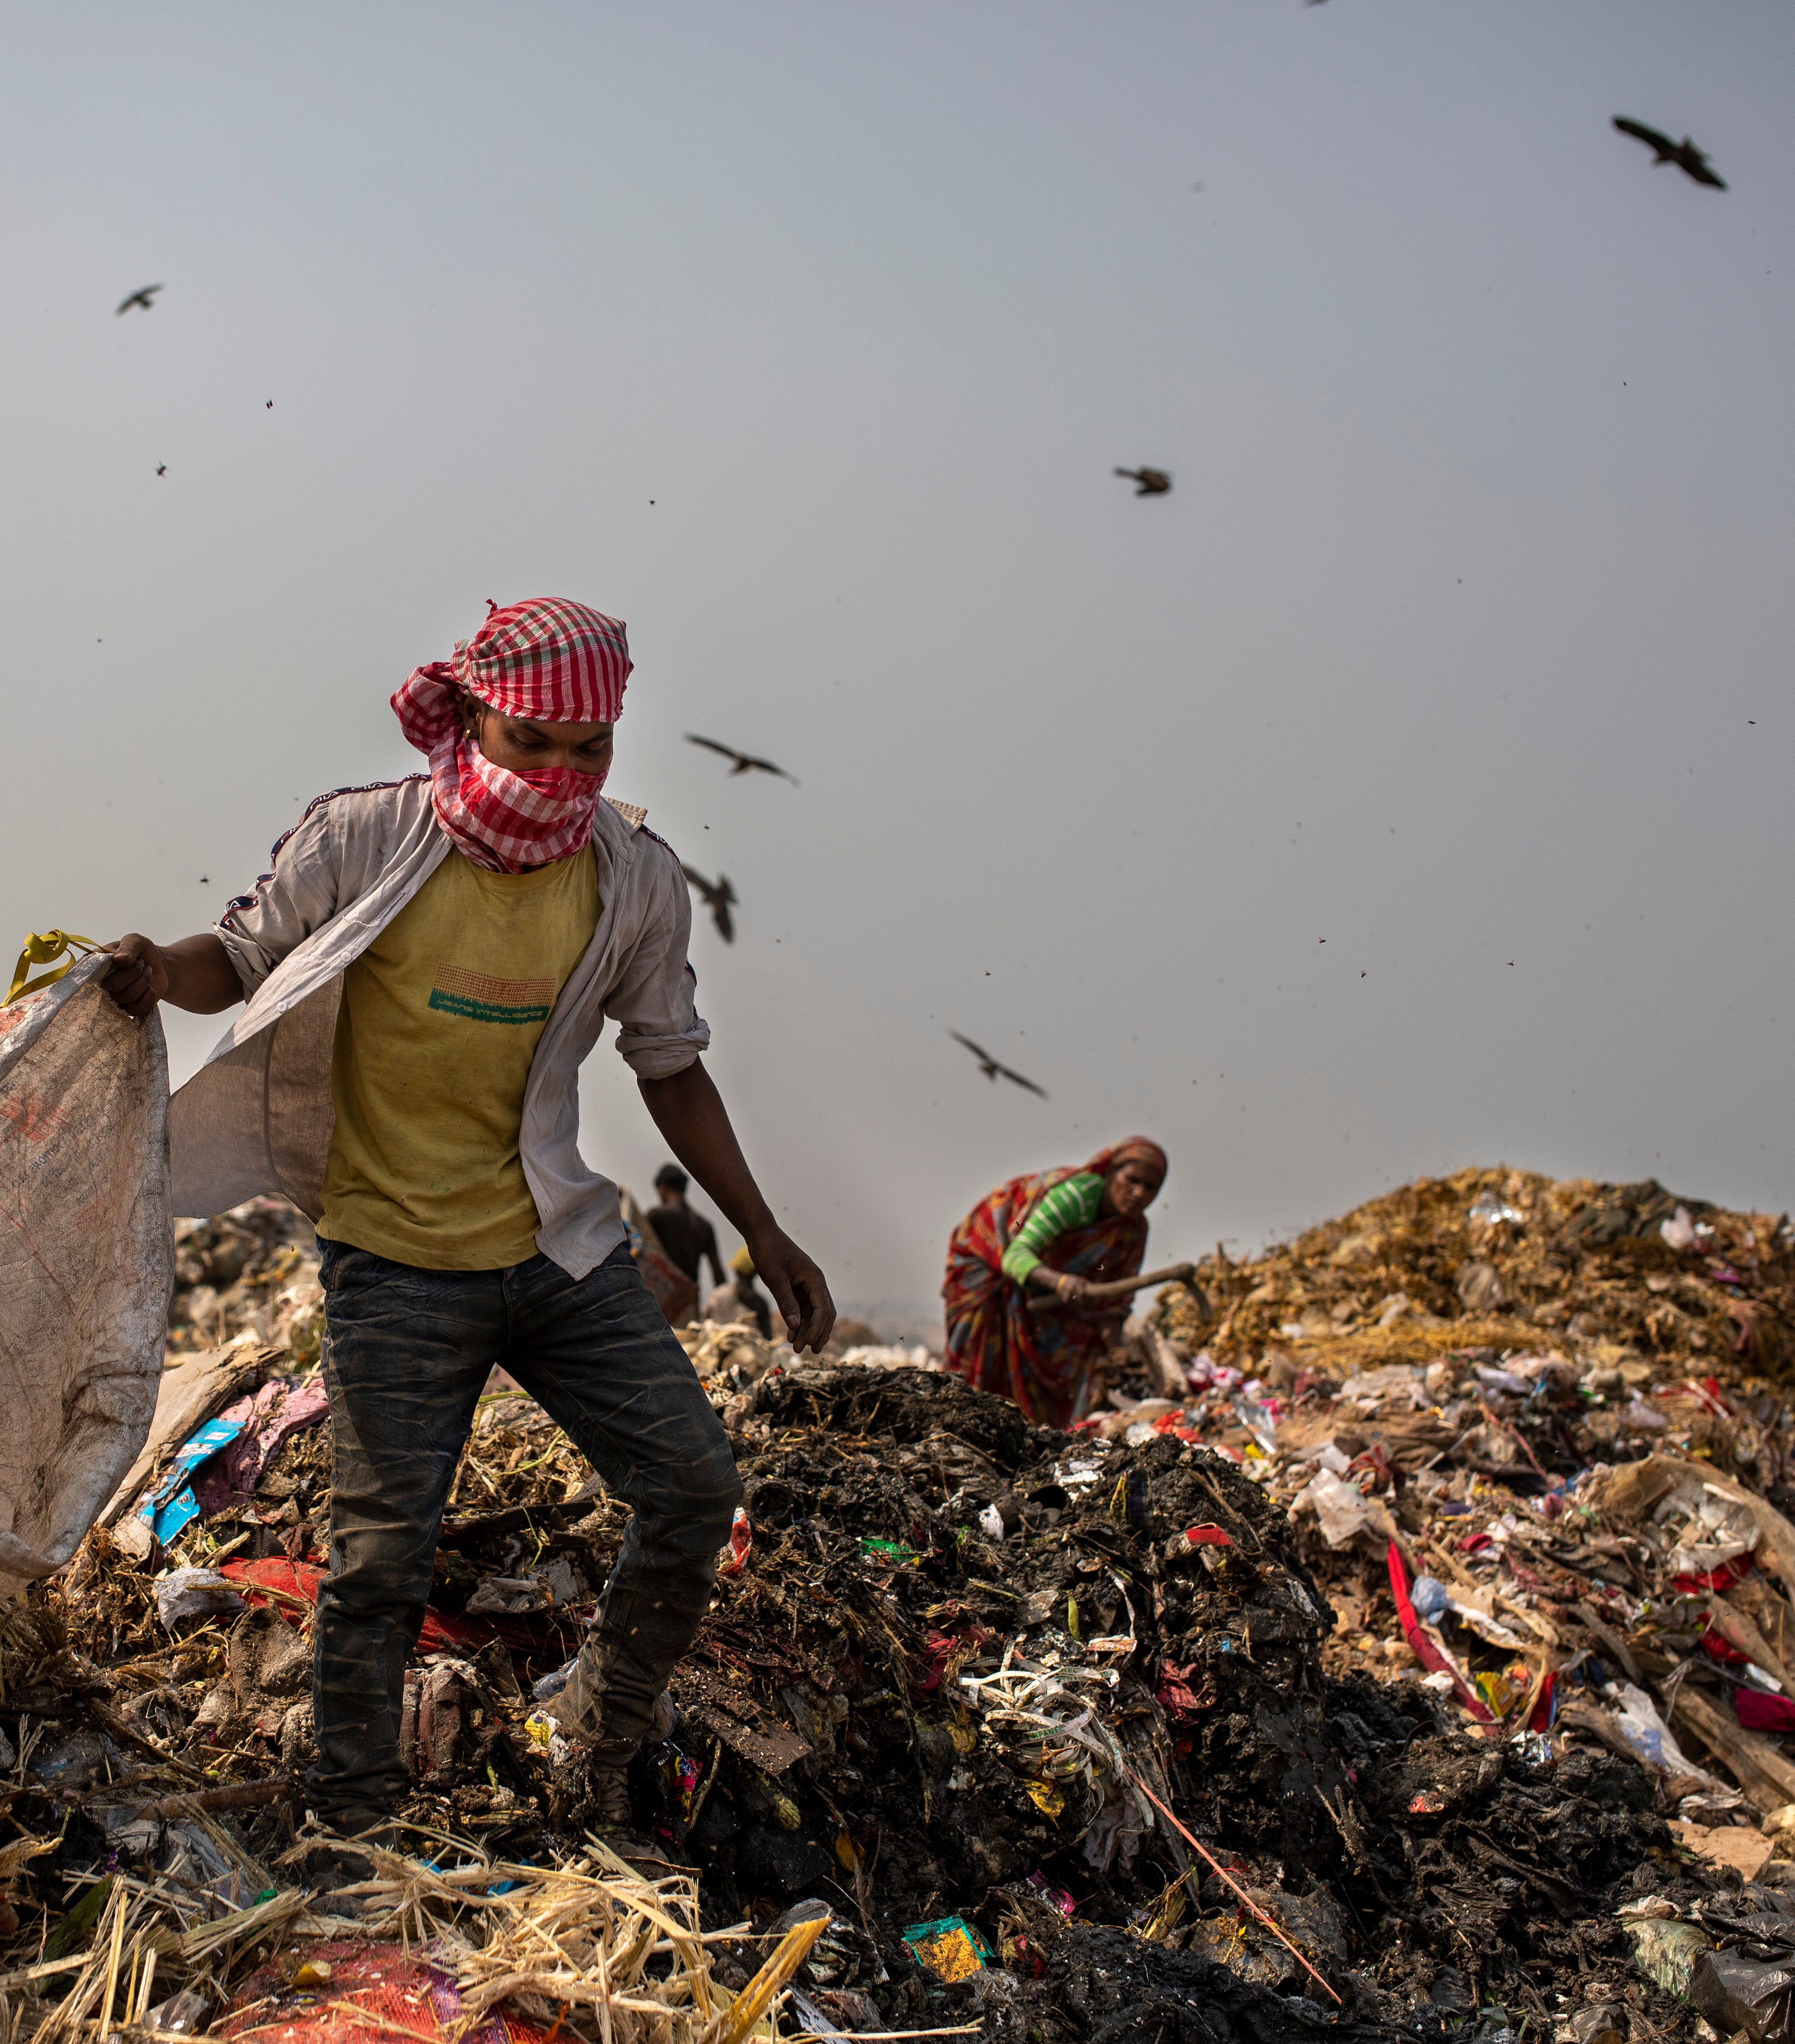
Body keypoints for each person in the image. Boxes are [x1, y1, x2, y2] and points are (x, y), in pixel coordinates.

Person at [100, 596, 835, 1854]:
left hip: (553, 1251)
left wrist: (762, 1233)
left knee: (694, 1489)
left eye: (589, 748)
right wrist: (159, 975)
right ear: (469, 716)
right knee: (380, 1567)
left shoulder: (629, 878)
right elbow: (244, 950)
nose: (559, 774)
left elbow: (670, 1062)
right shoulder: (369, 836)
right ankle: (352, 1832)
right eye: (532, 741)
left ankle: (592, 1753)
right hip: (390, 1263)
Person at [940, 1138, 1166, 1424]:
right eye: (1132, 1180)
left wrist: (1117, 1352)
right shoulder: (1076, 1196)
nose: (1139, 1193)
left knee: (1077, 1344)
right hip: (987, 1262)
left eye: (1151, 1188)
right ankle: (958, 1421)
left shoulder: (1132, 1231)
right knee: (978, 1361)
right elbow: (1015, 1256)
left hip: (1041, 1282)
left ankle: (1044, 1430)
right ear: (1110, 1173)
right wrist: (1061, 1282)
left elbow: (1110, 1305)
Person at [648, 1165, 722, 1310]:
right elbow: (718, 1275)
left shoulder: (657, 1217)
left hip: (659, 1302)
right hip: (689, 1304)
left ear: (662, 1187)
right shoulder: (704, 1225)